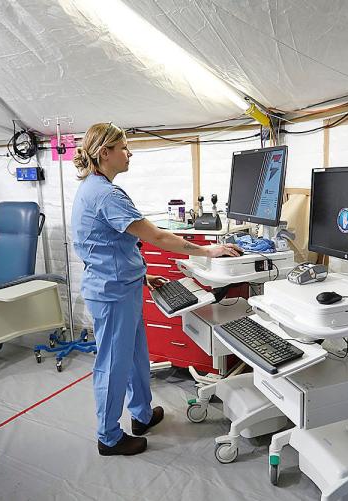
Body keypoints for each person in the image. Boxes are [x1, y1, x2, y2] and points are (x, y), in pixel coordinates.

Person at [71, 122, 242, 456]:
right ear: (105, 153)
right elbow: (159, 237)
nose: (129, 152)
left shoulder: (94, 187)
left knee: (136, 356)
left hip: (123, 284)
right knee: (112, 363)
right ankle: (108, 436)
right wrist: (209, 250)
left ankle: (142, 414)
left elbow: (109, 245)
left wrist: (142, 276)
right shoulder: (106, 194)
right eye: (123, 148)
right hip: (112, 293)